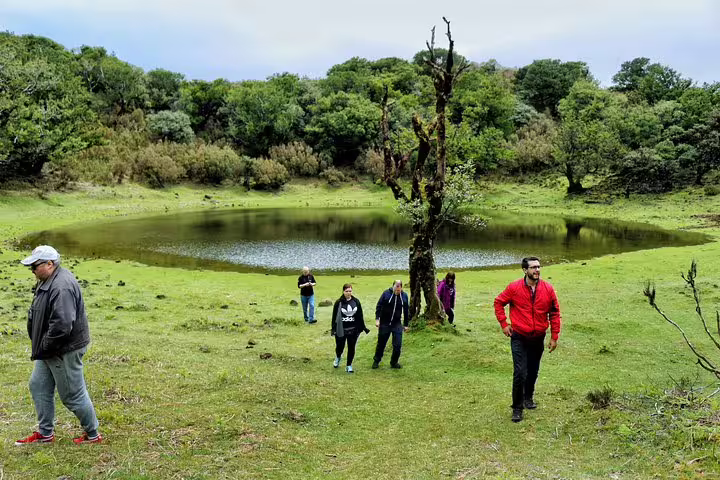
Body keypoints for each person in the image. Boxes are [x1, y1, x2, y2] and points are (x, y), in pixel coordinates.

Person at [15, 245, 102, 445]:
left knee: (73, 395)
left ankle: (93, 434)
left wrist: (44, 346)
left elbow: (62, 325)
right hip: (49, 349)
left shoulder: (60, 286)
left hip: (62, 349)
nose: (32, 270)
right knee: (38, 385)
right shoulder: (47, 279)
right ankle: (45, 434)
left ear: (50, 264)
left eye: (35, 266)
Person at [494, 257, 561, 423]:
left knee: (533, 371)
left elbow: (554, 312)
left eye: (538, 267)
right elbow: (498, 302)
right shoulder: (514, 288)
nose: (537, 270)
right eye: (533, 268)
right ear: (525, 270)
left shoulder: (548, 288)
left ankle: (528, 397)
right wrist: (504, 323)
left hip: (538, 337)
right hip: (519, 337)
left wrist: (554, 336)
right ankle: (517, 408)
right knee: (520, 372)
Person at [331, 284, 370, 373]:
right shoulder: (338, 302)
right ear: (343, 291)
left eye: (350, 291)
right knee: (340, 347)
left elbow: (360, 315)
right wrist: (333, 329)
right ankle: (338, 357)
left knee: (351, 347)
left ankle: (349, 365)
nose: (348, 293)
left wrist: (362, 327)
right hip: (341, 329)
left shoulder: (356, 301)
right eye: (347, 291)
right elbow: (334, 317)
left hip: (353, 330)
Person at [372, 280, 409, 369]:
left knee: (397, 345)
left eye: (399, 290)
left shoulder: (404, 296)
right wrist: (377, 319)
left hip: (396, 323)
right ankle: (376, 360)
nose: (397, 292)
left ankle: (394, 362)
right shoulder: (386, 294)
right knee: (381, 343)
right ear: (393, 287)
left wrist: (406, 324)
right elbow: (379, 306)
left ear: (401, 288)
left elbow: (406, 310)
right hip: (385, 323)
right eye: (396, 290)